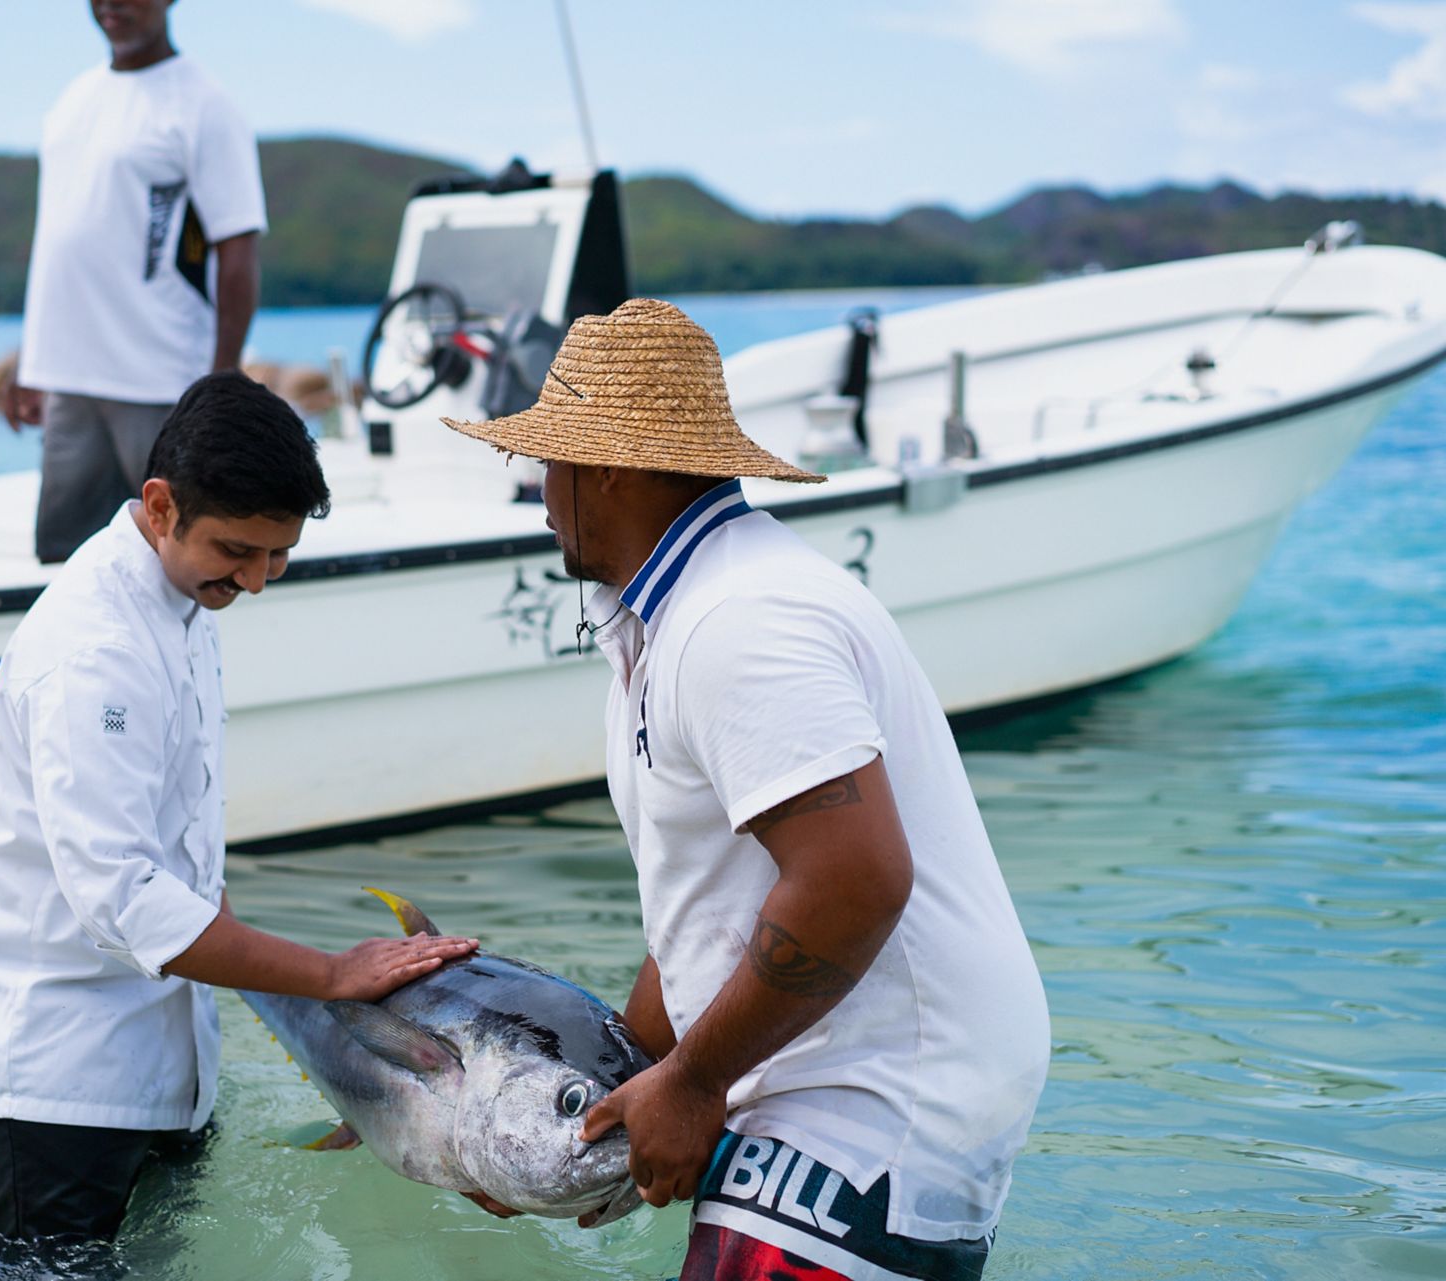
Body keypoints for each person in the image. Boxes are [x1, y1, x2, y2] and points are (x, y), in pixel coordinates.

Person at [441, 300, 1050, 1281]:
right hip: (833, 1073)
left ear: (606, 468)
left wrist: (693, 1081)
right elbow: (698, 925)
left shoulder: (741, 621)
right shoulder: (673, 619)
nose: (539, 491)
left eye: (547, 461)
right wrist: (599, 1109)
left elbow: (856, 878)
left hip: (876, 1090)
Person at [0, 372, 477, 1260]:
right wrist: (329, 974)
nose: (258, 580)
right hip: (56, 1082)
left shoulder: (185, 598)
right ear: (160, 506)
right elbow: (121, 896)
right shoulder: (96, 650)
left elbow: (180, 853)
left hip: (165, 1062)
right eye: (238, 550)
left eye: (277, 556)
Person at [4, 0, 266, 564]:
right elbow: (61, 239)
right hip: (70, 379)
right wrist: (31, 361)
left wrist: (219, 382)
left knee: (175, 560)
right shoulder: (73, 100)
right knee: (64, 560)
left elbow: (238, 248)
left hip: (159, 382)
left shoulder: (204, 105)